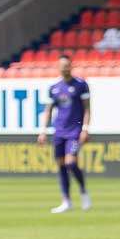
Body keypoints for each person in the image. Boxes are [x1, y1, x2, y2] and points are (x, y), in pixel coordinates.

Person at [37, 55, 92, 213]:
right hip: (59, 131)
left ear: (71, 66)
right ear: (58, 67)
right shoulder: (54, 88)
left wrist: (85, 128)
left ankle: (83, 191)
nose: (64, 68)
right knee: (61, 165)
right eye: (62, 66)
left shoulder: (81, 85)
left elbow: (87, 108)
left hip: (74, 131)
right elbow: (48, 110)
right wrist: (43, 131)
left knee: (71, 163)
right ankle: (66, 200)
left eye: (67, 65)